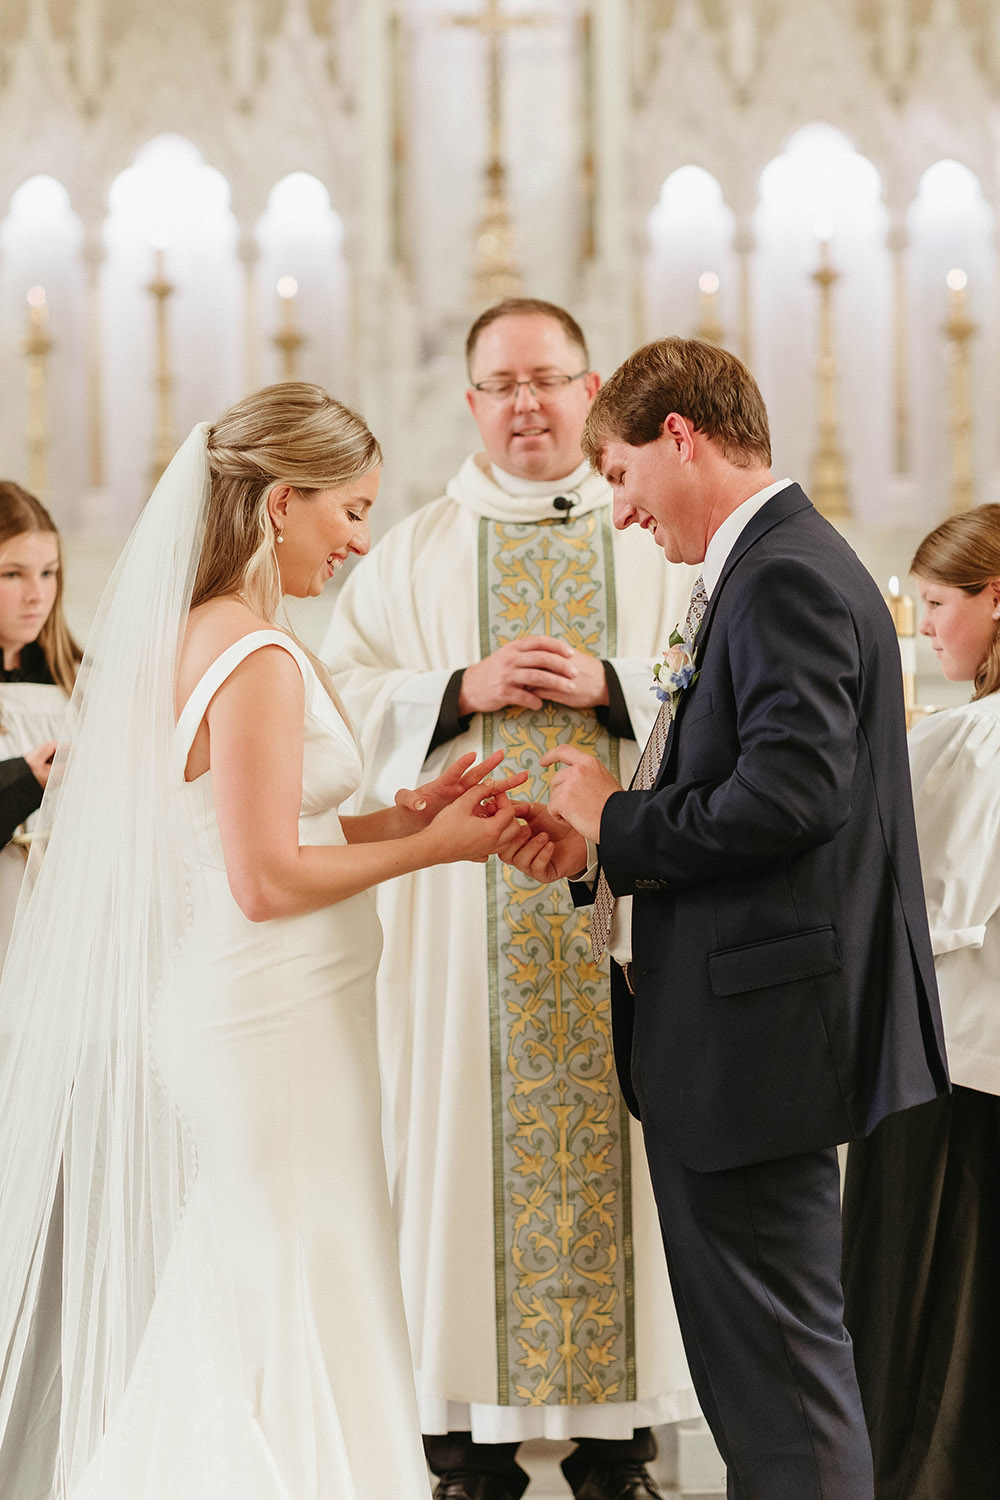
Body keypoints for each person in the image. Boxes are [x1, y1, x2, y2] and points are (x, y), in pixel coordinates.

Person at [0, 383, 528, 1500]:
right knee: (283, 1284)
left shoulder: (223, 636)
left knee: (281, 1280)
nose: (359, 540)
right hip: (266, 1024)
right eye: (349, 510)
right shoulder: (256, 658)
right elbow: (264, 877)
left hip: (271, 1015)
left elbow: (278, 827)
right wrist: (436, 853)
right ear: (281, 503)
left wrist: (416, 812)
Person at [500, 336, 949, 1500]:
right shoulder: (767, 564)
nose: (622, 511)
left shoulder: (785, 572)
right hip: (742, 1036)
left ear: (679, 438)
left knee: (785, 1387)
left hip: (760, 1045)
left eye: (619, 475)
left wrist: (619, 821)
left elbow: (793, 795)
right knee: (763, 1386)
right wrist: (602, 849)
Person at [325, 300, 699, 1500]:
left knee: (629, 1161)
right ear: (471, 401)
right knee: (448, 1160)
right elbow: (330, 702)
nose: (527, 404)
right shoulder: (415, 551)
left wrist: (617, 683)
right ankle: (460, 1446)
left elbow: (725, 682)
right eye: (503, 384)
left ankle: (612, 1447)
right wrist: (452, 685)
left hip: (625, 925)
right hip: (454, 940)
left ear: (592, 390)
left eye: (549, 380)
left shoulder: (652, 537)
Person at [842, 505, 1000, 1500]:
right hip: (963, 1056)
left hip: (951, 1059)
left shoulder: (982, 742)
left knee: (922, 1311)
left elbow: (954, 910)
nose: (926, 626)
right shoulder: (966, 731)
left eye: (939, 604)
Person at [0, 482, 81, 957]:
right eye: (12, 575)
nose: (37, 595)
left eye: (48, 573)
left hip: (65, 934)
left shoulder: (80, 679)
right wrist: (23, 780)